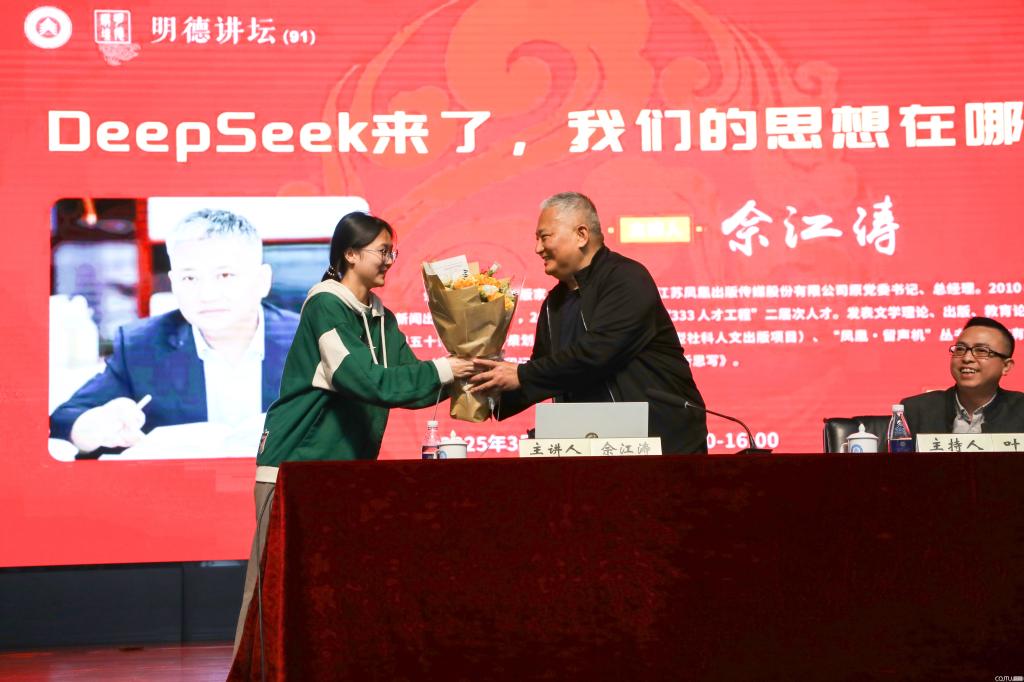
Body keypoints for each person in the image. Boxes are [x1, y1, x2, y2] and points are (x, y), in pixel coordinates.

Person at [233, 211, 476, 655]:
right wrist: (446, 369)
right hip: (294, 468)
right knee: (270, 589)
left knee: (329, 588)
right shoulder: (325, 306)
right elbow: (363, 380)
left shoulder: (382, 318)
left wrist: (470, 370)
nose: (389, 260)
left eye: (392, 252)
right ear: (350, 254)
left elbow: (410, 382)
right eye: (382, 251)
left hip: (343, 472)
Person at [471, 192, 708, 454]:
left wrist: (521, 374)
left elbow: (599, 352)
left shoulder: (626, 278)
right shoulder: (554, 303)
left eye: (544, 237)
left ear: (581, 235)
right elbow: (545, 373)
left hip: (660, 445)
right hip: (593, 447)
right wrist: (484, 390)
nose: (537, 248)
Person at [49, 209, 299, 456]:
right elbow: (64, 419)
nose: (207, 295)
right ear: (173, 283)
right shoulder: (142, 345)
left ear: (262, 281)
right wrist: (96, 426)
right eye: (189, 278)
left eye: (225, 275)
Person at [901, 316, 1023, 434]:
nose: (967, 358)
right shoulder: (915, 411)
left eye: (981, 351)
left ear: (1006, 366)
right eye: (960, 349)